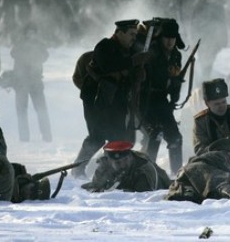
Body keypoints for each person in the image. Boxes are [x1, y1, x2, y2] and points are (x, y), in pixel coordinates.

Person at [72, 20, 150, 177]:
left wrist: (138, 75)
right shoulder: (105, 46)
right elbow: (108, 65)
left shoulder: (128, 51)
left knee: (118, 138)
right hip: (97, 100)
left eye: (135, 34)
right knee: (97, 136)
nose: (133, 38)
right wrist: (134, 61)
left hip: (117, 101)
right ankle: (78, 168)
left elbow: (126, 76)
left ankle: (111, 171)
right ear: (119, 33)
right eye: (131, 34)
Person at [140, 19, 184, 175]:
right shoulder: (150, 53)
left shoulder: (176, 56)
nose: (170, 41)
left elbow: (175, 78)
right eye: (167, 37)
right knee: (154, 134)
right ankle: (147, 172)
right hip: (144, 100)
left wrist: (174, 95)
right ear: (161, 37)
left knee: (175, 138)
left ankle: (177, 174)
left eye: (173, 38)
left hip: (162, 101)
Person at [9, 23, 52, 142]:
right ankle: (24, 138)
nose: (31, 35)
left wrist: (34, 53)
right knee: (21, 112)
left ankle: (47, 136)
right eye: (29, 32)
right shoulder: (20, 44)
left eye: (33, 32)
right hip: (21, 83)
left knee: (41, 110)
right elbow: (13, 53)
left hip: (35, 82)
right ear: (25, 33)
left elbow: (45, 56)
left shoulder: (39, 45)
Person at [81, 140, 171, 192]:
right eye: (116, 162)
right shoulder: (104, 166)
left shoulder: (142, 170)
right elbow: (95, 187)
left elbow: (142, 196)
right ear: (109, 160)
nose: (121, 164)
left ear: (129, 157)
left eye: (124, 160)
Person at [190, 0, 228, 80]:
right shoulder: (200, 4)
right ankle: (203, 79)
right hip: (202, 36)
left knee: (210, 60)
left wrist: (224, 38)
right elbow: (194, 22)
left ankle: (205, 78)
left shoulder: (219, 6)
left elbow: (223, 23)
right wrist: (193, 36)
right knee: (204, 60)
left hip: (214, 38)